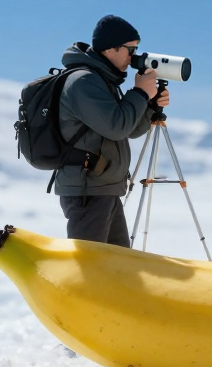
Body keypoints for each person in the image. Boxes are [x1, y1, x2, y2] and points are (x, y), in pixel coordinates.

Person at [54, 14, 170, 246]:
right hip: (88, 191)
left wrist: (149, 105)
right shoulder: (83, 81)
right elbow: (117, 127)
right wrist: (139, 93)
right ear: (110, 49)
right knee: (92, 263)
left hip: (104, 188)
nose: (134, 56)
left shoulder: (102, 80)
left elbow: (128, 129)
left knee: (116, 263)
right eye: (131, 49)